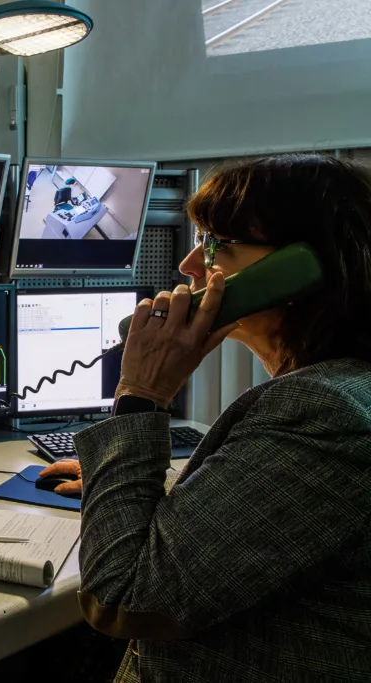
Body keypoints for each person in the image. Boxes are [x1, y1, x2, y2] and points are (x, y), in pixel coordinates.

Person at [39, 154, 371, 682]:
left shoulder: (325, 412)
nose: (191, 266)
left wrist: (142, 392)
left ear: (300, 269)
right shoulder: (345, 390)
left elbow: (123, 597)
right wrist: (130, 485)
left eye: (218, 244)